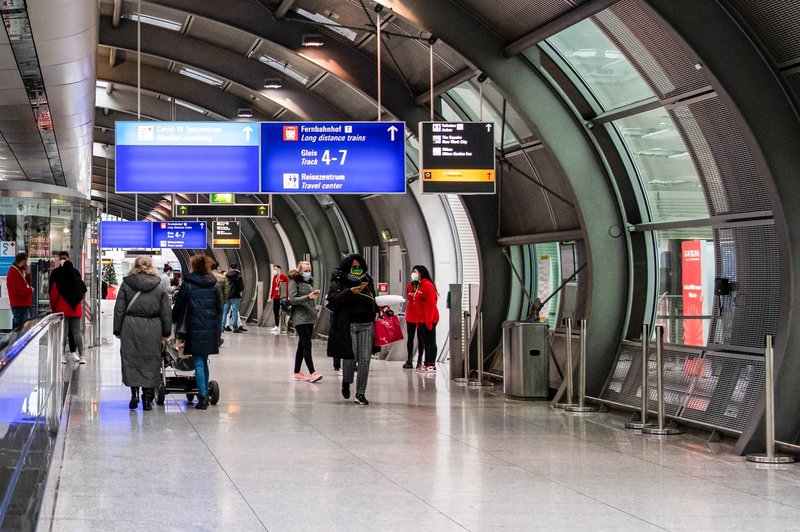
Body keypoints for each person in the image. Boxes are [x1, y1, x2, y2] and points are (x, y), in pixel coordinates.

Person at [113, 256, 171, 411]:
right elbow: (166, 311)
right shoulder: (159, 286)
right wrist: (166, 332)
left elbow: (119, 309)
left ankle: (134, 394)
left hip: (130, 326)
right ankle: (147, 400)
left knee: (131, 359)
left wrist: (117, 330)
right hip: (153, 327)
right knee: (151, 361)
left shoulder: (127, 284)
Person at [326, 254, 378, 405]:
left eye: (359, 267)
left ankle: (360, 393)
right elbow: (333, 299)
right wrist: (350, 292)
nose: (357, 270)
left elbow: (373, 299)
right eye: (353, 267)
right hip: (348, 324)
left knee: (365, 360)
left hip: (366, 324)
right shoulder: (339, 280)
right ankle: (346, 381)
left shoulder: (367, 280)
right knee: (350, 356)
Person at [172, 255, 221, 410]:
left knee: (198, 361)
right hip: (210, 327)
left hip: (193, 326)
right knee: (204, 360)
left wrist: (173, 320)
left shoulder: (189, 285)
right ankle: (204, 392)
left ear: (193, 266)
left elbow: (179, 306)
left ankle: (202, 397)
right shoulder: (213, 285)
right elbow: (219, 309)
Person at [288, 261, 323, 382]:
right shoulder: (294, 281)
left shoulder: (308, 282)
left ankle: (296, 372)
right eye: (306, 271)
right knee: (307, 344)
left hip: (310, 317)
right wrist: (308, 297)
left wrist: (313, 295)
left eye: (309, 270)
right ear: (299, 270)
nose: (308, 273)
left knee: (302, 345)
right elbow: (292, 299)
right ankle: (313, 372)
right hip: (300, 318)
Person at [49, 258, 87, 364]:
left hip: (62, 311)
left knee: (64, 333)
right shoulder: (79, 282)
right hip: (76, 310)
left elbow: (53, 297)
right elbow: (83, 294)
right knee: (77, 332)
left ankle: (61, 356)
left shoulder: (59, 282)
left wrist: (54, 309)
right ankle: (83, 356)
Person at [404, 265, 439, 372]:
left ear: (421, 273)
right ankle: (426, 363)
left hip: (428, 319)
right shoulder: (417, 286)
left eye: (416, 272)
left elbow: (431, 304)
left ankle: (431, 363)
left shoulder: (427, 285)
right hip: (420, 319)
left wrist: (428, 321)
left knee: (430, 342)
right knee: (426, 341)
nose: (414, 273)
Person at [6, 252, 34, 329]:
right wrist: (30, 290)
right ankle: (16, 340)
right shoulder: (14, 272)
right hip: (19, 304)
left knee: (23, 326)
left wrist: (28, 274)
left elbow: (26, 284)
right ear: (23, 261)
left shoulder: (19, 270)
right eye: (26, 261)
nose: (27, 263)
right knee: (19, 327)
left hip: (23, 304)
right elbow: (18, 290)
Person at [223, 264, 246, 333]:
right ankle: (235, 328)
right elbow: (241, 288)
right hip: (235, 296)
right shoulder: (239, 276)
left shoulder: (226, 275)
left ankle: (222, 326)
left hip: (227, 296)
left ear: (230, 268)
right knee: (235, 312)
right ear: (237, 267)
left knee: (225, 312)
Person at [270, 265, 289, 333]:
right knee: (275, 311)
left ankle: (283, 325)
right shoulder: (274, 277)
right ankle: (276, 325)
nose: (275, 270)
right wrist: (271, 295)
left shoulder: (284, 277)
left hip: (282, 297)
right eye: (274, 269)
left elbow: (286, 288)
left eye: (275, 269)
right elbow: (273, 287)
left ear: (279, 269)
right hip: (275, 297)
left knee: (283, 311)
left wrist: (287, 297)